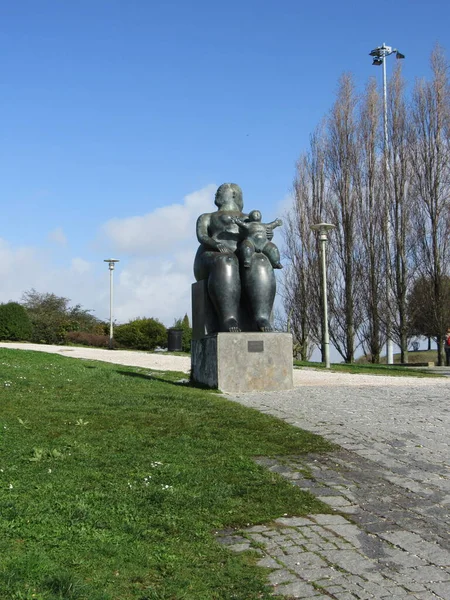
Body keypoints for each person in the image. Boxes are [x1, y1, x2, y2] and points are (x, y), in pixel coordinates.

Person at [193, 183, 276, 332]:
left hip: (242, 254)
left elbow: (259, 235)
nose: (216, 194)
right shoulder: (207, 217)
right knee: (227, 261)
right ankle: (228, 318)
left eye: (220, 191)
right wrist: (215, 244)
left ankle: (261, 316)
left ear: (234, 195)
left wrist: (267, 235)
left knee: (261, 261)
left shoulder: (248, 218)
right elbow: (202, 236)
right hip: (211, 256)